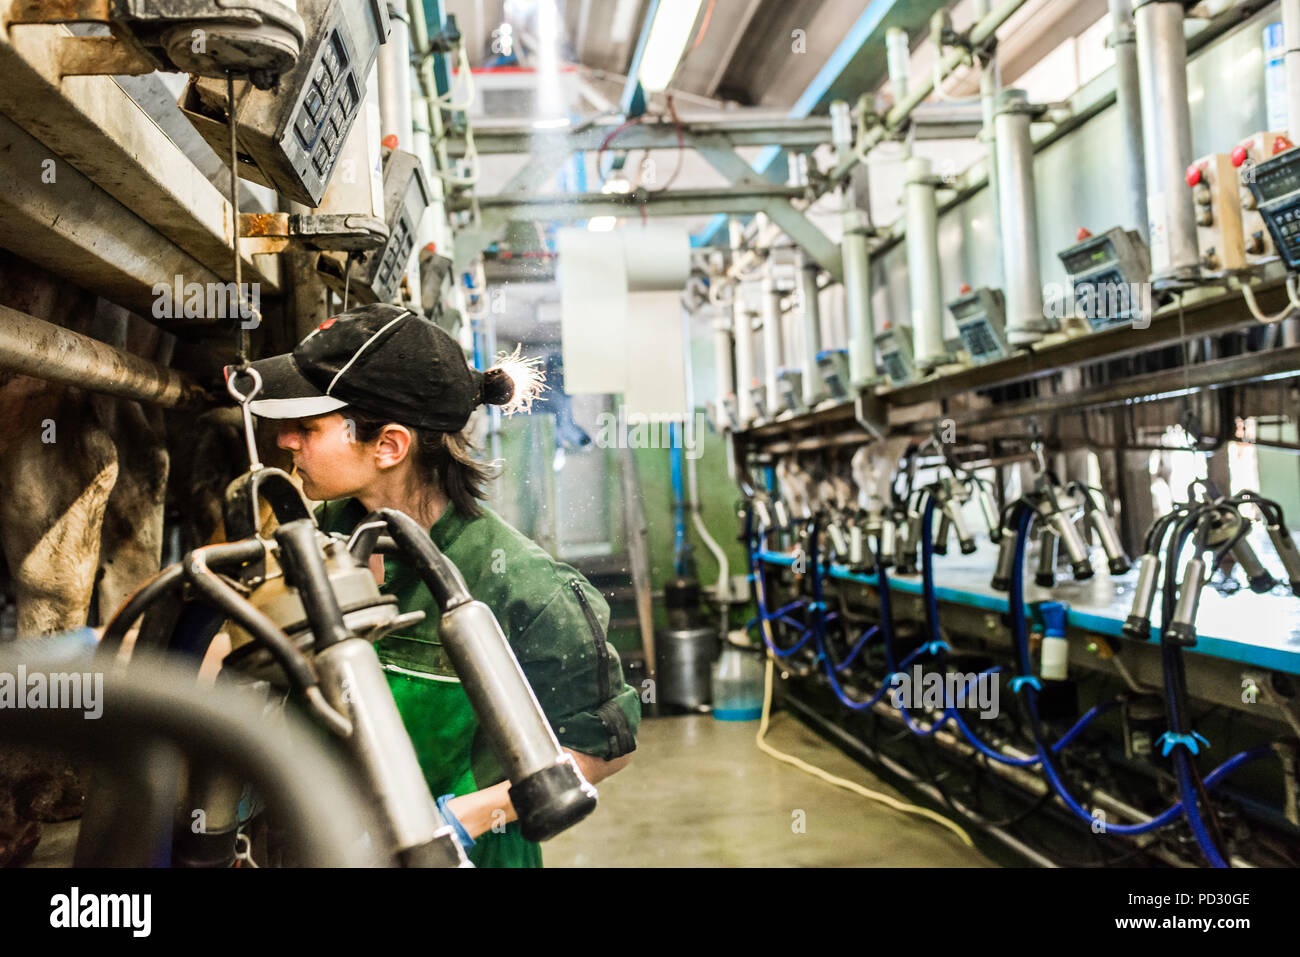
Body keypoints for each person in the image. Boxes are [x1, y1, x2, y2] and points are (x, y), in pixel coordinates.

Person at [241, 303, 640, 867]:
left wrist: (458, 822)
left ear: (389, 446)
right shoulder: (315, 541)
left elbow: (603, 749)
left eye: (307, 428)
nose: (284, 441)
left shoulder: (523, 585)